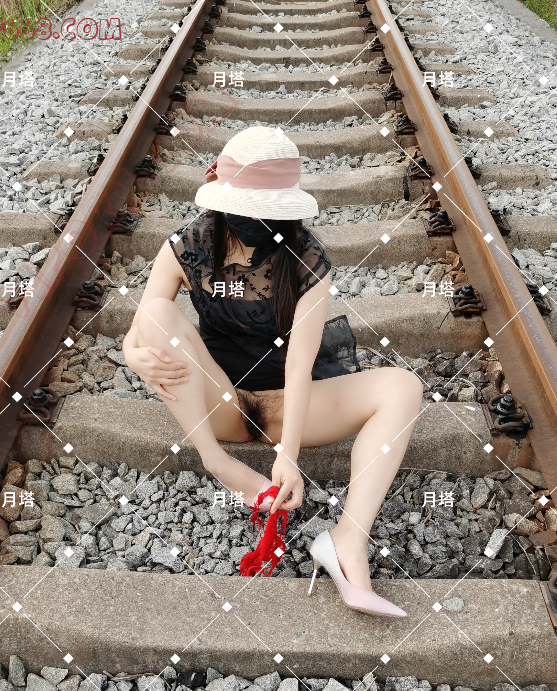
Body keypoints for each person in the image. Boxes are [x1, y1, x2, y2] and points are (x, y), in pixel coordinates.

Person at [122, 125, 423, 618]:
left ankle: (348, 540)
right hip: (219, 402)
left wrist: (289, 454)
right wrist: (133, 355)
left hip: (286, 406)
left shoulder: (306, 259)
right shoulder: (189, 245)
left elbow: (301, 364)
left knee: (404, 387)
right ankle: (218, 463)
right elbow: (142, 326)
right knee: (156, 313)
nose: (257, 221)